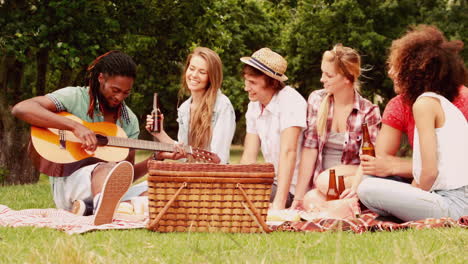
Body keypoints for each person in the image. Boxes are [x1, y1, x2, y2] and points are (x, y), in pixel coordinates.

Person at [11, 51, 180, 225]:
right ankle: (112, 211)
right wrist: (75, 127)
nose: (119, 97)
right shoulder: (75, 97)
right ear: (101, 78)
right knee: (104, 168)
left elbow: (124, 177)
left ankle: (92, 208)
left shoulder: (129, 120)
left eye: (125, 93)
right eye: (115, 90)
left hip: (110, 189)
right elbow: (23, 108)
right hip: (69, 185)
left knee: (159, 188)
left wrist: (155, 158)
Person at [358, 25, 468, 221]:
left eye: (396, 65)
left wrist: (414, 193)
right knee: (371, 183)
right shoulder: (438, 102)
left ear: (413, 70)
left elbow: (429, 172)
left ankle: (399, 215)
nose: (391, 72)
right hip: (452, 197)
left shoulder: (424, 104)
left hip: (454, 204)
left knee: (367, 188)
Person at [291, 44, 381, 213]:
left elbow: (367, 161)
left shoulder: (368, 111)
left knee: (326, 180)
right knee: (310, 200)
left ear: (347, 78)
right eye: (322, 73)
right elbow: (309, 150)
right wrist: (298, 197)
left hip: (353, 180)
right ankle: (343, 208)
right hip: (323, 185)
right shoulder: (317, 100)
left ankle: (352, 201)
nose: (322, 79)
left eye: (329, 75)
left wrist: (354, 189)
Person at [239, 47, 307, 210]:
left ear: (272, 82)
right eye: (246, 81)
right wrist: (238, 184)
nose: (246, 88)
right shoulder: (254, 106)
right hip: (270, 181)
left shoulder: (291, 101)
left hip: (291, 188)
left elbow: (288, 152)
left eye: (253, 83)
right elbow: (249, 156)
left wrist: (279, 203)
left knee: (243, 198)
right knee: (227, 191)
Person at [146, 47, 236, 164]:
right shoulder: (184, 108)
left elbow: (219, 159)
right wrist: (160, 134)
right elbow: (185, 156)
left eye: (202, 72)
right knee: (141, 183)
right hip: (190, 174)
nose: (194, 75)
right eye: (191, 68)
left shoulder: (222, 105)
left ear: (212, 77)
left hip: (213, 178)